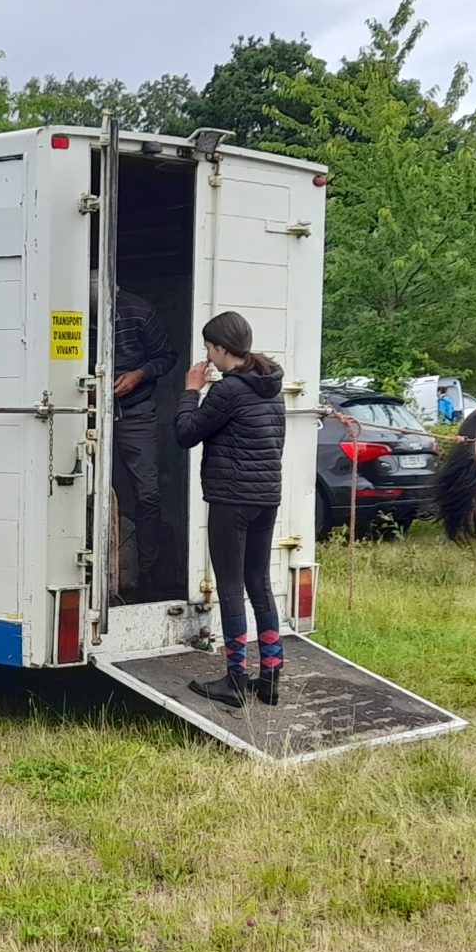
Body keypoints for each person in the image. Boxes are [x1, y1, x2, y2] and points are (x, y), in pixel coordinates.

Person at [175, 311, 286, 708]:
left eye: (209, 348)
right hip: (265, 499)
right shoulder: (271, 385)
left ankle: (235, 679)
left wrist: (191, 391)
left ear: (222, 349)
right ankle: (270, 676)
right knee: (259, 582)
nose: (207, 355)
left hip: (231, 500)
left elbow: (186, 433)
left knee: (231, 586)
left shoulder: (229, 391)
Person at [111, 289, 176, 596]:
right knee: (80, 490)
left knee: (147, 493)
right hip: (84, 408)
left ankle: (148, 578)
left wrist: (139, 374)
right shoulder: (67, 305)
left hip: (135, 410)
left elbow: (167, 357)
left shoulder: (140, 311)